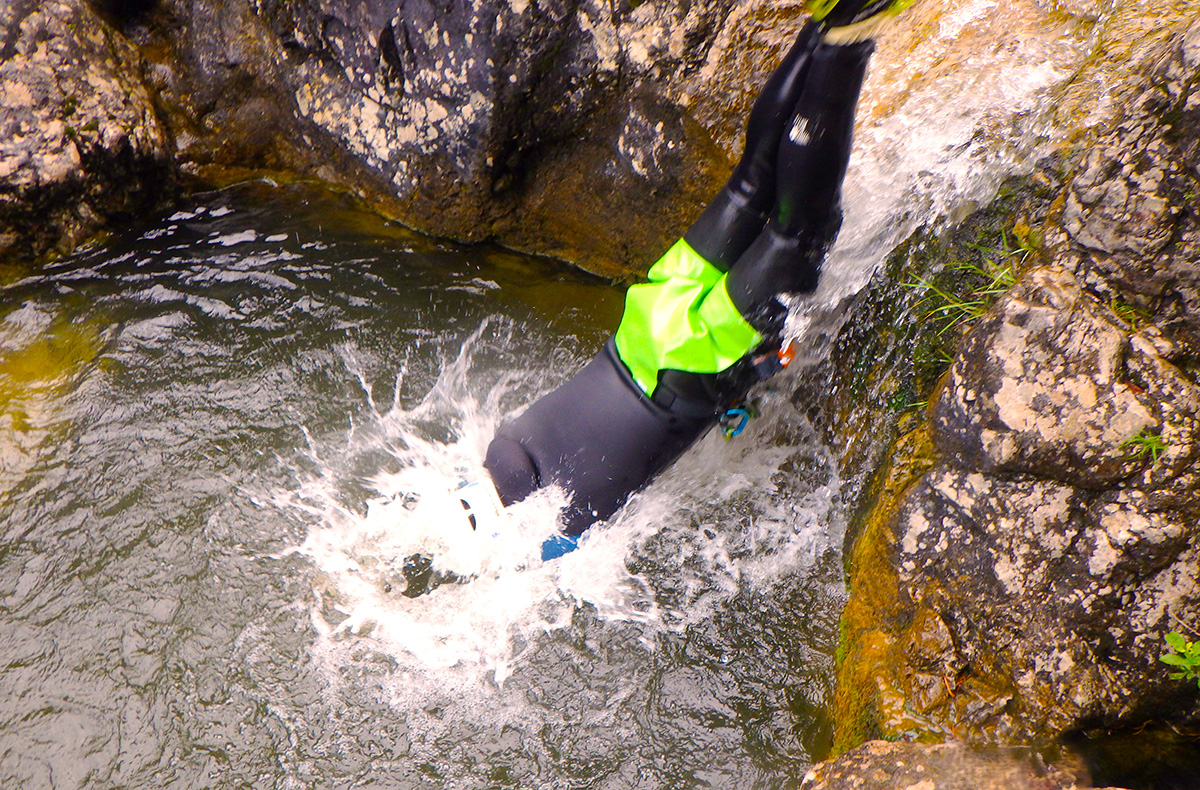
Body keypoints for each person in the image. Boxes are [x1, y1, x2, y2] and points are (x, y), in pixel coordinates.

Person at [478, 0, 912, 559]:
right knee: (750, 184)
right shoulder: (491, 458)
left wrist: (737, 378)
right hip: (643, 323)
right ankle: (822, 23)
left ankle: (850, 33)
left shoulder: (534, 555)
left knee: (797, 237)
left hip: (681, 367)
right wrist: (746, 381)